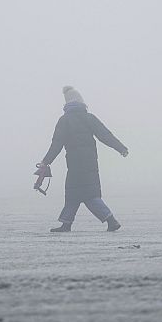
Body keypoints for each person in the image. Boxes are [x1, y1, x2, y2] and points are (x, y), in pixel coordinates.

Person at [38, 86, 129, 232]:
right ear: (81, 102)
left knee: (87, 195)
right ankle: (66, 224)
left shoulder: (64, 120)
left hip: (74, 164)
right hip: (90, 163)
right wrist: (121, 148)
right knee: (76, 193)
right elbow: (105, 135)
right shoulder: (89, 118)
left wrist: (45, 161)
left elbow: (56, 145)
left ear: (67, 103)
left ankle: (111, 220)